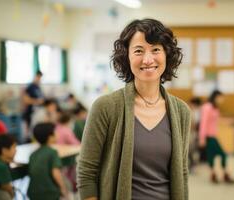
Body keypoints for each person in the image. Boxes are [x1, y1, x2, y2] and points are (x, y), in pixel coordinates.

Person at [77, 18, 191, 200]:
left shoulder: (181, 111)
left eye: (156, 50)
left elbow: (182, 172)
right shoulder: (106, 107)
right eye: (139, 50)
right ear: (126, 56)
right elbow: (87, 173)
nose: (148, 59)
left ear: (167, 54)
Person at [199, 90, 234, 184]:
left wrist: (227, 121)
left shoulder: (215, 108)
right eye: (221, 98)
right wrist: (202, 138)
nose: (222, 100)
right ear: (215, 97)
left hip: (213, 135)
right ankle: (221, 174)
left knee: (213, 155)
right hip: (208, 136)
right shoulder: (207, 107)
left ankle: (216, 175)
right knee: (220, 154)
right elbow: (203, 123)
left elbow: (217, 120)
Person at [28, 122, 67, 200]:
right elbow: (56, 173)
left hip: (33, 193)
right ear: (50, 137)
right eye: (55, 132)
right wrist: (63, 188)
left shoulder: (32, 155)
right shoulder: (52, 152)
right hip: (50, 193)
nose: (57, 133)